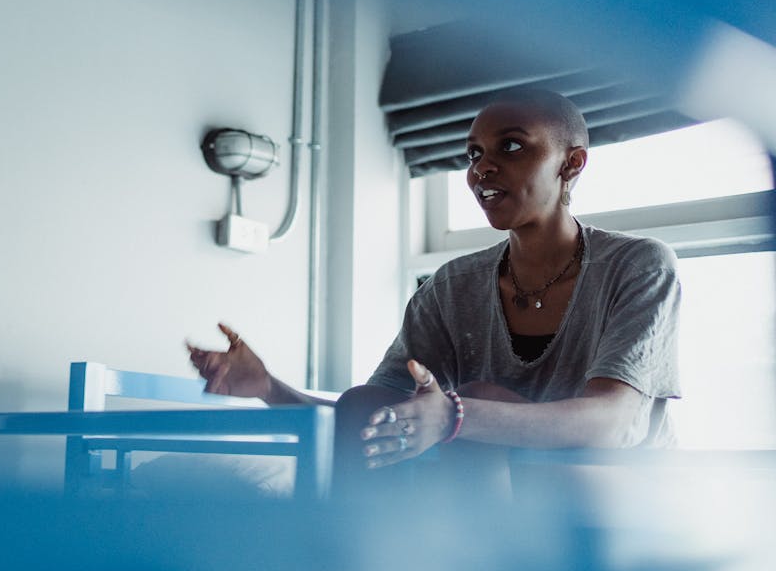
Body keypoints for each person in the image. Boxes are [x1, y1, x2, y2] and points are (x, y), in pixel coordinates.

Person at [187, 88, 680, 484]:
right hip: (493, 509)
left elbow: (616, 424)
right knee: (364, 402)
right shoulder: (450, 288)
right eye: (473, 154)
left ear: (571, 163)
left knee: (477, 395)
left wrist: (454, 416)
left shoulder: (637, 265)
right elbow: (375, 422)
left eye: (511, 145)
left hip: (619, 497)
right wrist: (269, 388)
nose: (481, 168)